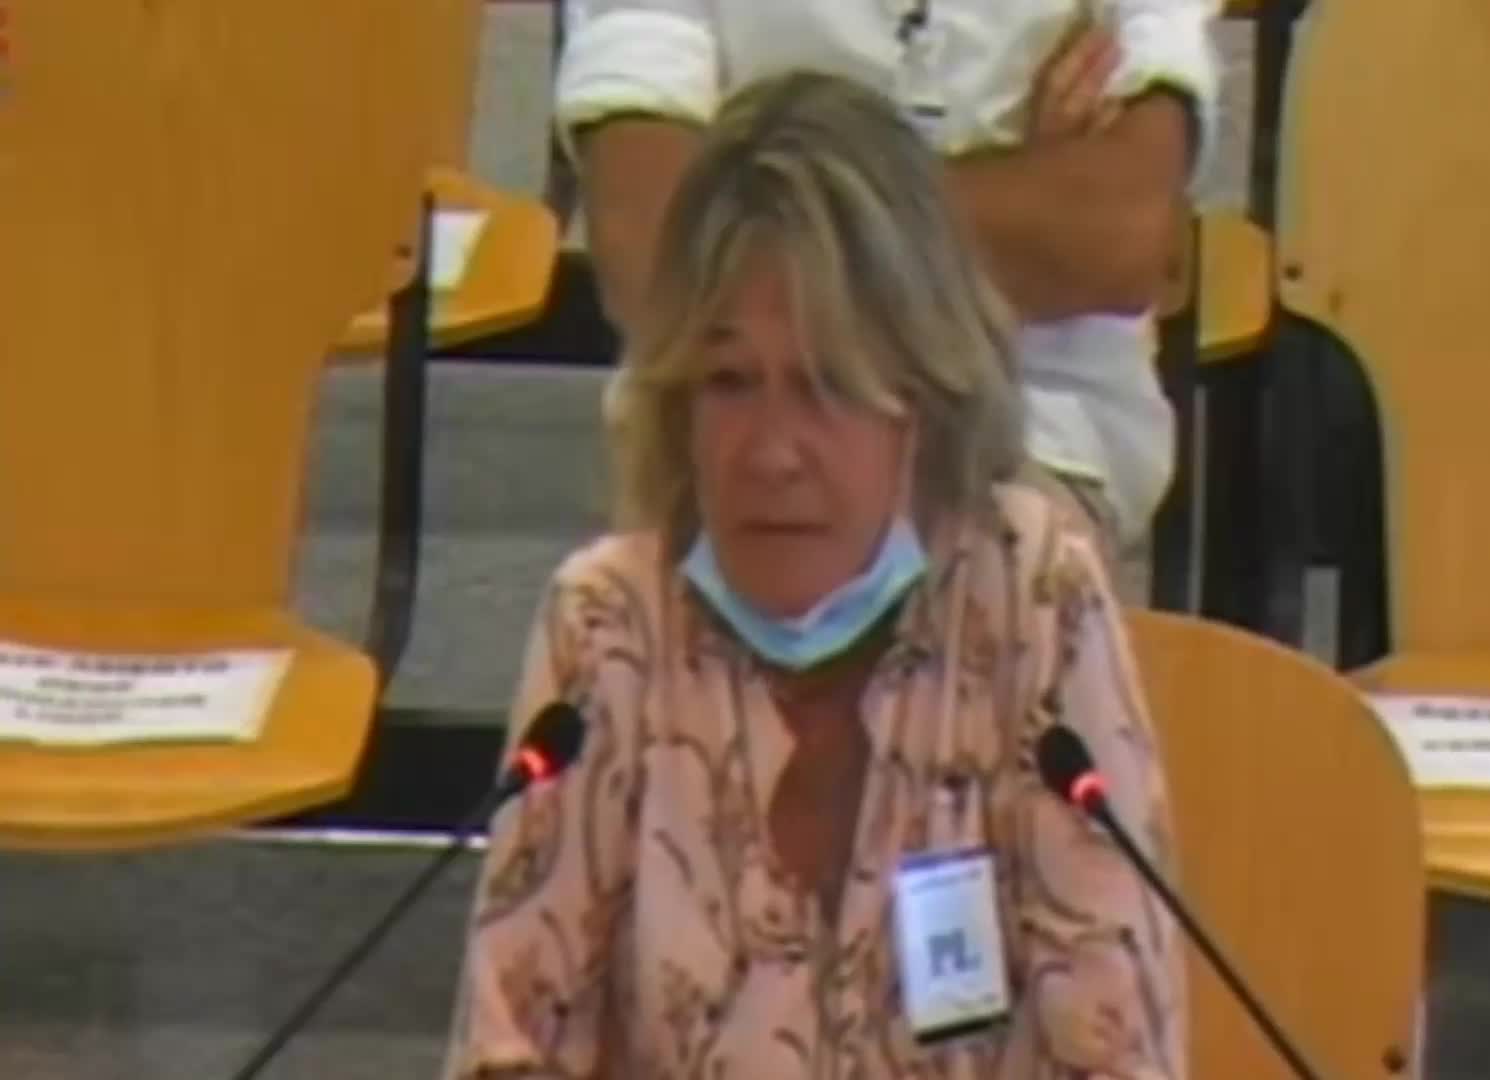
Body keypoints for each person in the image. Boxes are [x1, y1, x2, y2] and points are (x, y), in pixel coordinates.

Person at [443, 72, 1184, 1079]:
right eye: (730, 383)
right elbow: (508, 1044)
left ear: (922, 394)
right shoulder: (609, 626)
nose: (771, 451)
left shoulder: (1031, 598)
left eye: (826, 385)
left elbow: (1116, 1047)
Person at [555, 0, 1222, 559]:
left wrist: (762, 198)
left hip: (1029, 433)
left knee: (980, 602)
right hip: (732, 423)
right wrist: (1027, 193)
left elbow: (1115, 235)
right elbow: (651, 253)